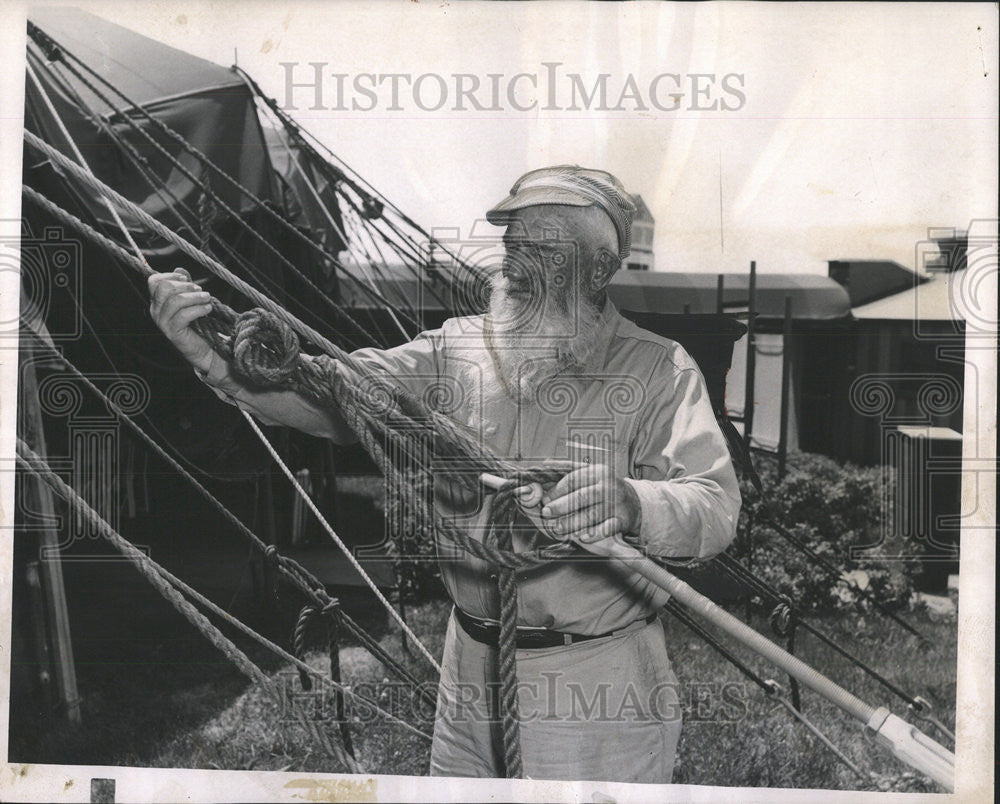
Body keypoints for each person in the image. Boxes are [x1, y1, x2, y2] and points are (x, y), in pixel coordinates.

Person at [148, 165, 741, 783]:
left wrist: (632, 502)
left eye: (543, 248)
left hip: (599, 685)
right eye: (513, 245)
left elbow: (714, 505)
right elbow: (335, 395)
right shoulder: (453, 350)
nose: (514, 262)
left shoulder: (658, 370)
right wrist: (214, 360)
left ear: (597, 269)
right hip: (470, 670)